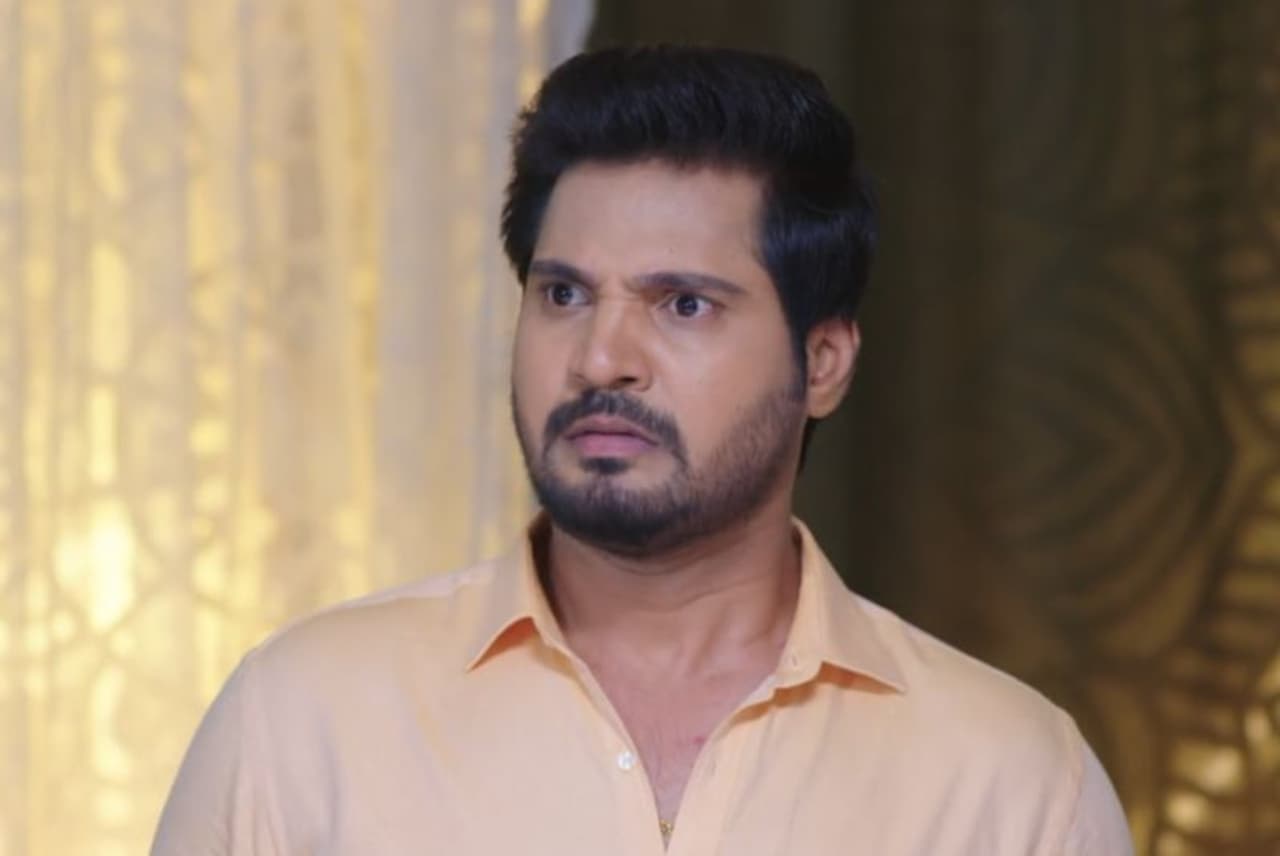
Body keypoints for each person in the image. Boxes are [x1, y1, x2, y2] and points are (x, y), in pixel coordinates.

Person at [153, 45, 1133, 855]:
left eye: (683, 305)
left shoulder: (1008, 781)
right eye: (563, 294)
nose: (599, 358)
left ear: (823, 362)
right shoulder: (304, 721)